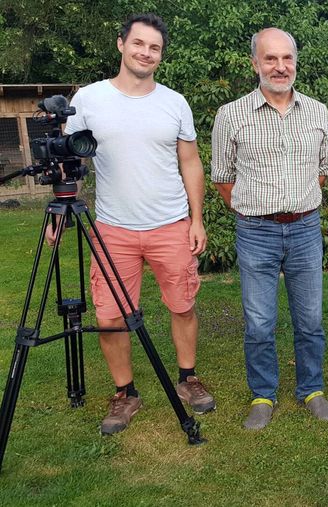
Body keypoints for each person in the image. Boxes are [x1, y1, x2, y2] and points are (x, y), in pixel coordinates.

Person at [57, 13, 213, 435]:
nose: (146, 52)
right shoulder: (88, 99)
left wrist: (196, 219)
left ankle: (187, 379)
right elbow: (69, 159)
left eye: (155, 47)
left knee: (182, 305)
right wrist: (58, 210)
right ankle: (125, 393)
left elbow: (190, 160)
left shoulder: (174, 102)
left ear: (161, 55)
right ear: (121, 44)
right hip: (113, 228)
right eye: (139, 43)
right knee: (110, 316)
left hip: (170, 225)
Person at [211, 27, 328, 429]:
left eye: (287, 58)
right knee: (260, 322)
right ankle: (263, 394)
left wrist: (293, 206)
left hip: (304, 229)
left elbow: (322, 171)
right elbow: (222, 179)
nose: (280, 67)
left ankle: (312, 389)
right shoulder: (230, 115)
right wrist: (260, 211)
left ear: (295, 63)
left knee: (311, 320)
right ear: (255, 63)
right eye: (271, 58)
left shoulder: (318, 112)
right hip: (256, 232)